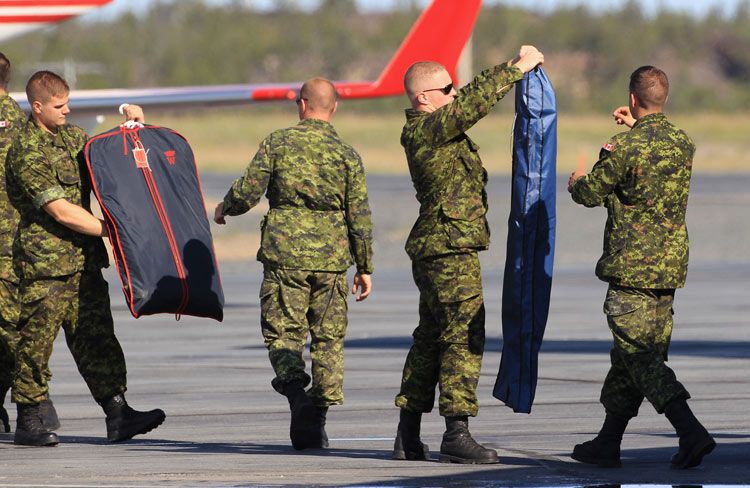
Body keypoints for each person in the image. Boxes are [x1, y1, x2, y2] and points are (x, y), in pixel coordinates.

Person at [392, 46, 544, 464]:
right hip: (448, 248)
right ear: (424, 97)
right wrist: (515, 69)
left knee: (430, 338)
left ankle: (408, 433)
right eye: (447, 88)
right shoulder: (426, 128)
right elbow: (475, 102)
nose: (454, 93)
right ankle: (456, 431)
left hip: (440, 246)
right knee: (464, 335)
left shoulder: (439, 129)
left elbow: (467, 102)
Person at [5, 70, 165, 447]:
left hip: (83, 262)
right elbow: (60, 210)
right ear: (38, 106)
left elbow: (111, 163)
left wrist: (129, 127)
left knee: (97, 339)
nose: (67, 110)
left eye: (69, 103)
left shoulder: (74, 138)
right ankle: (30, 416)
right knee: (34, 343)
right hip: (46, 266)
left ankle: (118, 412)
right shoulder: (25, 150)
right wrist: (111, 231)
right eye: (59, 106)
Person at [568, 65, 715, 469]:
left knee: (640, 356)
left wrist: (576, 180)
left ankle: (691, 431)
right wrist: (636, 126)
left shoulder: (625, 146)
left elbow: (590, 194)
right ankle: (608, 441)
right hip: (668, 268)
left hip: (632, 267)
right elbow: (654, 147)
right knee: (630, 357)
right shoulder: (682, 142)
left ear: (633, 98)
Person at [214, 77, 374, 450]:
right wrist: (365, 266)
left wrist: (226, 207)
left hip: (285, 255)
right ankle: (317, 418)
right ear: (333, 108)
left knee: (283, 333)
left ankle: (296, 395)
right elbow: (360, 215)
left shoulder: (277, 143)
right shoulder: (347, 154)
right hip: (332, 259)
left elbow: (249, 190)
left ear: (301, 105)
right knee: (328, 339)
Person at [0, 53, 59, 434]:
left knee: (8, 330)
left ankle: (31, 406)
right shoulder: (24, 124)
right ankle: (33, 404)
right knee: (13, 328)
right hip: (19, 245)